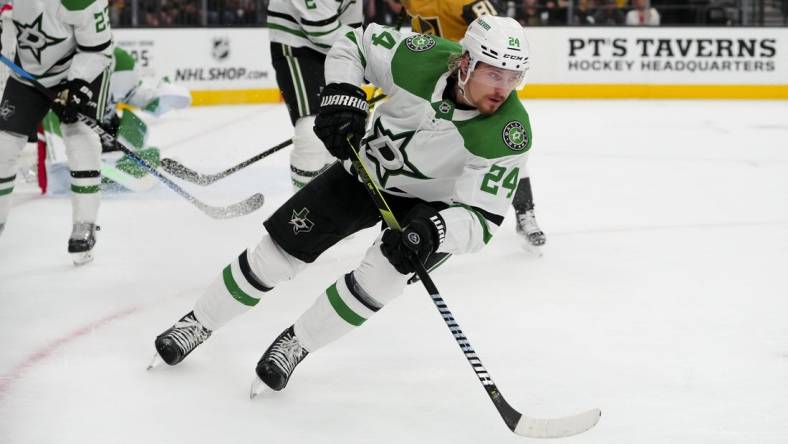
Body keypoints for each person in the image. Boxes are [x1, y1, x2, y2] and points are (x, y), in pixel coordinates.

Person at [150, 16, 534, 395]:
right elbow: (356, 41)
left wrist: (436, 231)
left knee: (381, 281)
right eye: (494, 74)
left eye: (513, 77)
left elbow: (480, 218)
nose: (504, 89)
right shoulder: (420, 56)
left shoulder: (509, 133)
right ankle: (198, 322)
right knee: (277, 254)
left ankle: (296, 344)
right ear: (465, 63)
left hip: (431, 207)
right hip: (363, 168)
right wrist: (343, 93)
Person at [401, 0, 546, 247]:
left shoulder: (464, 2)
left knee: (503, 146)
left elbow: (499, 32)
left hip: (472, 84)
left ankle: (525, 213)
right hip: (433, 81)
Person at [0, 0, 114, 265]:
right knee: (3, 144)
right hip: (27, 72)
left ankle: (84, 224)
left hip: (78, 67)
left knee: (79, 136)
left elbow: (99, 49)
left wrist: (78, 85)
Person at [265, 0, 362, 191]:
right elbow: (321, 31)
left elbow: (352, 23)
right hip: (297, 44)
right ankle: (301, 211)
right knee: (311, 133)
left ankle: (328, 203)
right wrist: (367, 45)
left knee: (339, 133)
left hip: (336, 47)